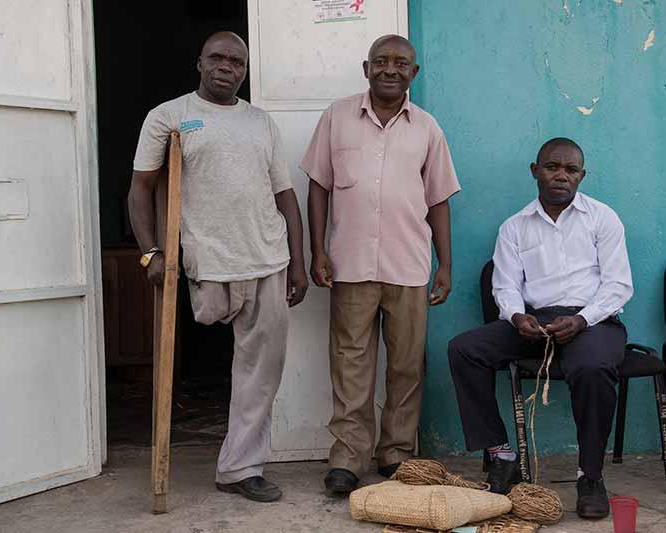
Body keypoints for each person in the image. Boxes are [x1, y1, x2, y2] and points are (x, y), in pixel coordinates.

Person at [128, 31, 308, 503]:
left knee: (260, 369)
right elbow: (141, 188)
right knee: (212, 349)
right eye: (219, 58)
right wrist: (150, 252)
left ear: (245, 70)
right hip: (206, 259)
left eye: (238, 61)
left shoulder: (261, 122)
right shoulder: (171, 116)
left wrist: (298, 263)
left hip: (267, 256)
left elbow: (285, 196)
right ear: (200, 63)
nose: (228, 66)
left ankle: (240, 468)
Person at [301, 34, 461, 495]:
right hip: (349, 264)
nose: (391, 70)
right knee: (350, 363)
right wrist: (318, 249)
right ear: (365, 67)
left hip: (409, 265)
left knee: (407, 365)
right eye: (382, 61)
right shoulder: (337, 117)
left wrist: (444, 265)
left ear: (415, 73)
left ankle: (396, 454)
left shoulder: (427, 128)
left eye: (401, 63)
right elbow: (318, 186)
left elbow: (439, 200)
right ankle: (348, 458)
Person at [448, 138, 633, 519]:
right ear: (535, 170)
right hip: (536, 320)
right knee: (464, 349)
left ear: (583, 176)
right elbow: (505, 285)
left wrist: (582, 319)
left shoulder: (603, 218)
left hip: (592, 321)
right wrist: (517, 317)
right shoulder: (515, 227)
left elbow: (618, 286)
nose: (561, 176)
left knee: (594, 368)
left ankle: (591, 476)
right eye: (552, 167)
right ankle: (502, 456)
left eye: (571, 170)